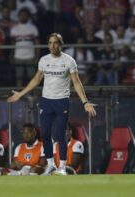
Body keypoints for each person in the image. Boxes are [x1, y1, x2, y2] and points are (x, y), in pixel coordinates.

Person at [7, 33, 97, 175]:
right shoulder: (44, 60)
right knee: (45, 133)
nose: (52, 45)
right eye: (50, 43)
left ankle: (61, 166)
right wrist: (20, 94)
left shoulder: (69, 61)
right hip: (46, 101)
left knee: (60, 134)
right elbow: (36, 79)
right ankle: (50, 165)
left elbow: (76, 82)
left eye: (55, 43)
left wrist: (85, 102)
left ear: (60, 44)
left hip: (61, 101)